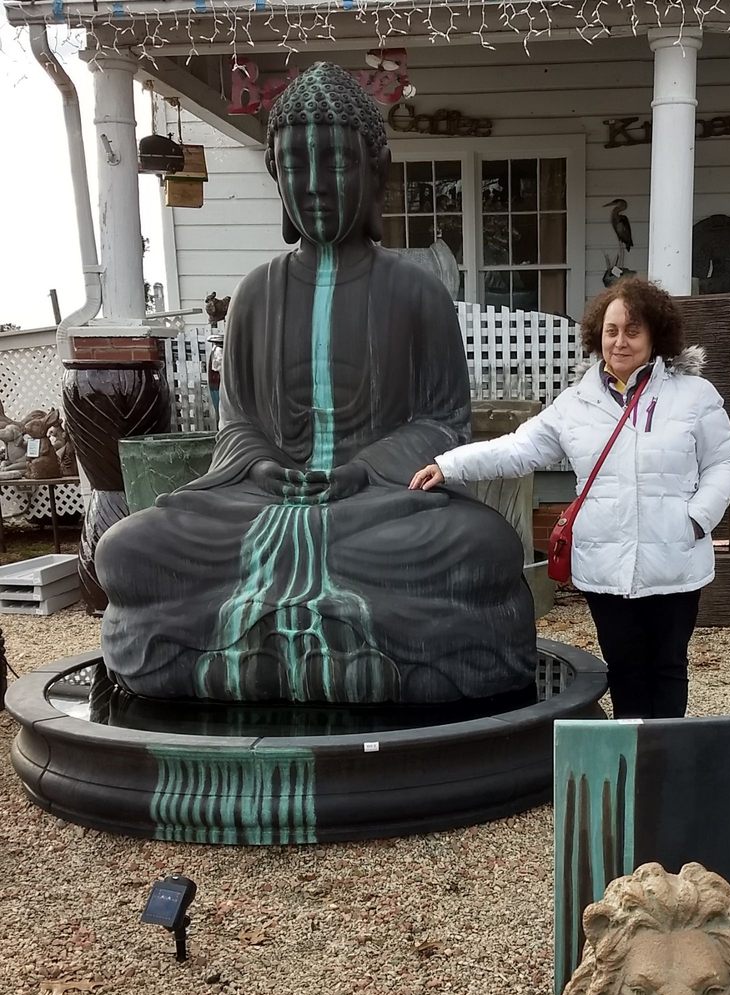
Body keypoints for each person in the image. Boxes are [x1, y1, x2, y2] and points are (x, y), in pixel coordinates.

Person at [95, 63, 535, 705]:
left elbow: (443, 424)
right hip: (264, 504)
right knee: (128, 550)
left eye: (336, 163)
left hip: (377, 505)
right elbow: (238, 423)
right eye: (295, 166)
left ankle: (237, 640)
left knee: (484, 547)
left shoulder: (416, 291)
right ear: (276, 175)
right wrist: (262, 466)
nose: (315, 185)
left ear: (376, 172)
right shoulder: (255, 294)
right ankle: (359, 641)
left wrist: (363, 472)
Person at [410, 278, 730, 719]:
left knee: (667, 666)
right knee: (625, 669)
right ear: (597, 335)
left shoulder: (693, 396)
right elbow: (518, 448)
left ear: (655, 336)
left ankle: (666, 754)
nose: (620, 342)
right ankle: (632, 751)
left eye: (633, 331)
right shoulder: (576, 403)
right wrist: (449, 464)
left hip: (674, 559)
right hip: (605, 562)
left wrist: (697, 518)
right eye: (611, 331)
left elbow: (725, 461)